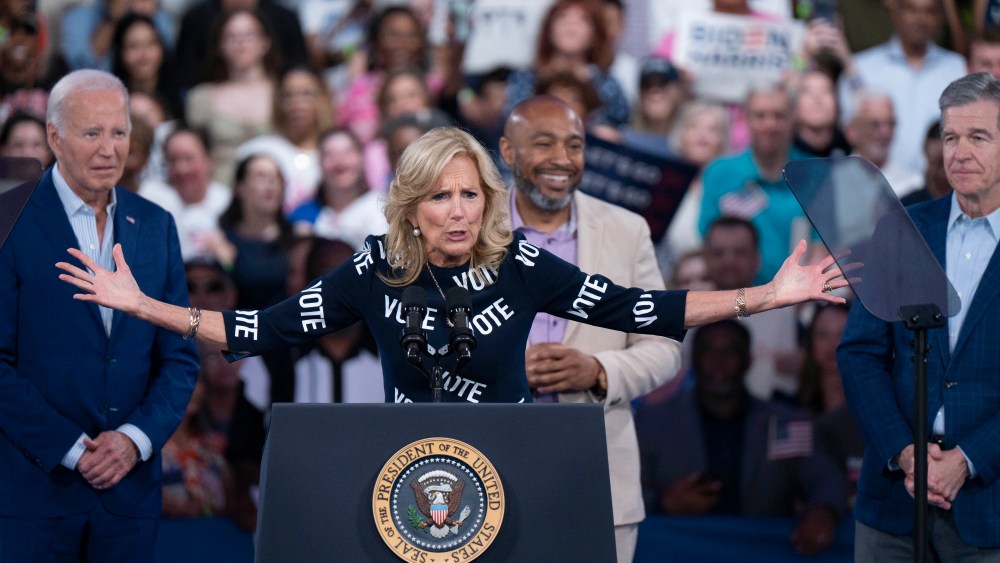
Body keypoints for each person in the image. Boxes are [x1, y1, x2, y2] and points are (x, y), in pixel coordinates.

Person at [57, 125, 847, 404]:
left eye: (471, 194)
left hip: (515, 466)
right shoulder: (372, 270)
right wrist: (138, 305)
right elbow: (254, 329)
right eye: (442, 197)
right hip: (404, 469)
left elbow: (646, 310)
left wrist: (767, 295)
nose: (462, 210)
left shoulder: (523, 264)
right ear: (411, 207)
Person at [0, 69, 198, 560]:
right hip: (35, 491)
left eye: (119, 132)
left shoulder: (156, 225)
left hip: (129, 498)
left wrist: (133, 440)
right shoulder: (8, 220)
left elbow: (179, 357)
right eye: (92, 133)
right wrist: (72, 448)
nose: (109, 149)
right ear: (54, 136)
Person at [499, 95, 679, 563]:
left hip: (597, 476)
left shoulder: (627, 230)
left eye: (574, 145)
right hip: (487, 469)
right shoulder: (468, 227)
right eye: (543, 143)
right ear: (507, 152)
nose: (562, 159)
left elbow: (663, 347)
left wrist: (598, 371)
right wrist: (500, 365)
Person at [838, 71, 1000, 559]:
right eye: (950, 137)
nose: (959, 151)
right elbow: (860, 354)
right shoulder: (902, 229)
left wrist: (967, 461)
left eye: (978, 137)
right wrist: (906, 454)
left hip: (988, 508)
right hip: (892, 503)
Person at [635, 320, 847, 556]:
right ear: (693, 359)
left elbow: (825, 479)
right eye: (708, 351)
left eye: (731, 351)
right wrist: (662, 503)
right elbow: (620, 493)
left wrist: (823, 511)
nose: (719, 362)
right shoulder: (652, 420)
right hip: (678, 551)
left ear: (748, 359)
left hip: (763, 553)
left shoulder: (785, 422)